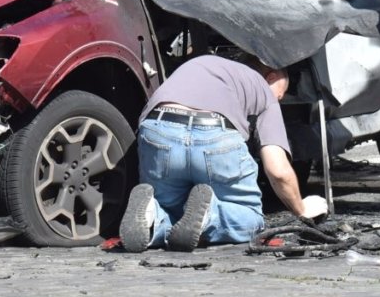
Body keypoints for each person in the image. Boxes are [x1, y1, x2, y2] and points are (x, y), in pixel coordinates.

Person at [119, 54, 328, 252]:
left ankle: (152, 216)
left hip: (158, 129)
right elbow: (278, 171)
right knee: (251, 217)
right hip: (214, 133)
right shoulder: (263, 88)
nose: (277, 102)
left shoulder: (201, 63)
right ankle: (210, 216)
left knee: (170, 208)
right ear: (271, 78)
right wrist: (301, 209)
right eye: (279, 96)